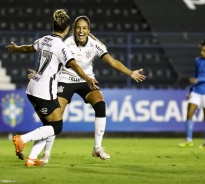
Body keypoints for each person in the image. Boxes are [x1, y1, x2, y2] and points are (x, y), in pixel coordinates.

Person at [29, 15, 146, 163]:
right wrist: (40, 73)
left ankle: (97, 147)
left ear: (88, 30)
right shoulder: (66, 43)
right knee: (56, 116)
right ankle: (46, 154)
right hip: (65, 80)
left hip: (87, 81)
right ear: (73, 30)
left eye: (84, 28)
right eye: (78, 27)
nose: (81, 31)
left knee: (100, 104)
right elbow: (52, 59)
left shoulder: (95, 45)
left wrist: (130, 73)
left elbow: (112, 61)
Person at [5, 9, 98, 166]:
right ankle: (22, 139)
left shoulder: (44, 40)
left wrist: (16, 49)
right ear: (67, 28)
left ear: (53, 26)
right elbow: (74, 64)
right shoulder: (61, 46)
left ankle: (32, 158)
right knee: (56, 126)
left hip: (32, 88)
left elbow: (28, 48)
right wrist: (88, 78)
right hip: (44, 91)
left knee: (48, 127)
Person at [178, 37, 205, 149]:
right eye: (200, 50)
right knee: (189, 113)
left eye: (203, 50)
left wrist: (198, 80)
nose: (201, 52)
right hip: (196, 91)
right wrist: (190, 91)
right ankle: (189, 140)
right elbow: (195, 77)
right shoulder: (198, 61)